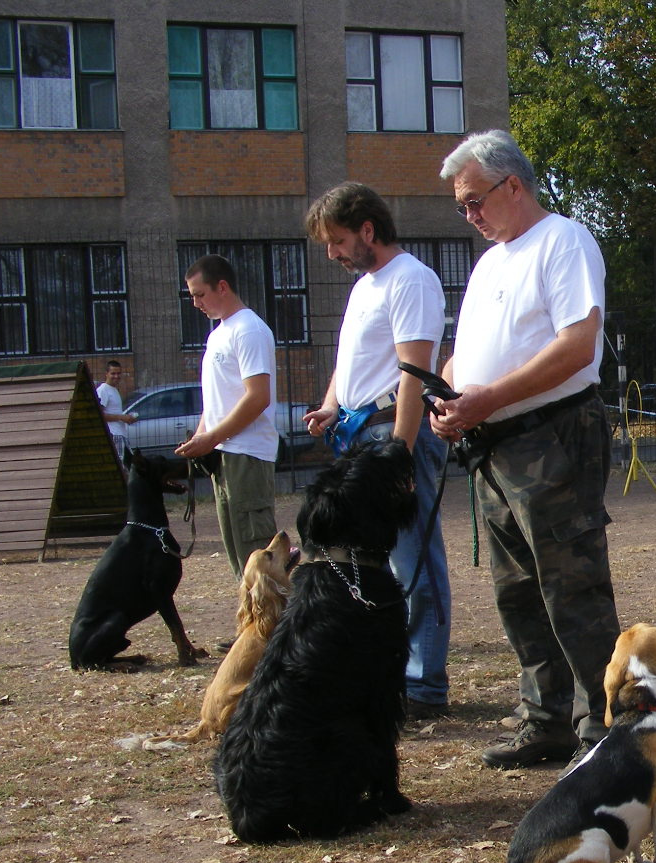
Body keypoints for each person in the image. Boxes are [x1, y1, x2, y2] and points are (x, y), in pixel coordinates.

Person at [432, 131, 620, 767]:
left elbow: (577, 344)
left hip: (554, 436)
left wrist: (485, 399)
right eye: (462, 207)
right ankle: (545, 720)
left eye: (475, 200)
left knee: (573, 586)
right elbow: (469, 350)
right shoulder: (491, 263)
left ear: (514, 185)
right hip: (496, 443)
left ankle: (604, 727)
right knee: (518, 591)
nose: (471, 215)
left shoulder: (563, 241)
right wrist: (451, 399)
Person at [303, 182, 452, 721]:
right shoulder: (368, 284)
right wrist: (329, 406)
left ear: (368, 230)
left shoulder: (410, 279)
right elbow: (354, 365)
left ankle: (424, 686)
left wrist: (401, 454)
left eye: (338, 240)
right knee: (369, 562)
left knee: (414, 562)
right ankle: (390, 672)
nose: (333, 253)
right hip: (360, 435)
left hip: (392, 436)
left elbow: (415, 371)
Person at [176, 254, 278, 581]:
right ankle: (253, 626)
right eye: (191, 295)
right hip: (223, 455)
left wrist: (212, 437)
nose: (195, 303)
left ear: (222, 287)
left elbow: (258, 396)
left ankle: (274, 630)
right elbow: (217, 400)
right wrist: (200, 439)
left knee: (257, 555)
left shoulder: (248, 329)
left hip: (247, 454)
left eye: (199, 294)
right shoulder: (219, 333)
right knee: (239, 558)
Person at [96, 360, 135, 460]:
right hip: (113, 434)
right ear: (106, 374)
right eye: (113, 373)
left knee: (129, 464)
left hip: (121, 433)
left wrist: (127, 418)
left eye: (118, 373)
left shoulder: (114, 390)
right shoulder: (103, 389)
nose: (116, 376)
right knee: (121, 465)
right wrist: (121, 417)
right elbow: (99, 415)